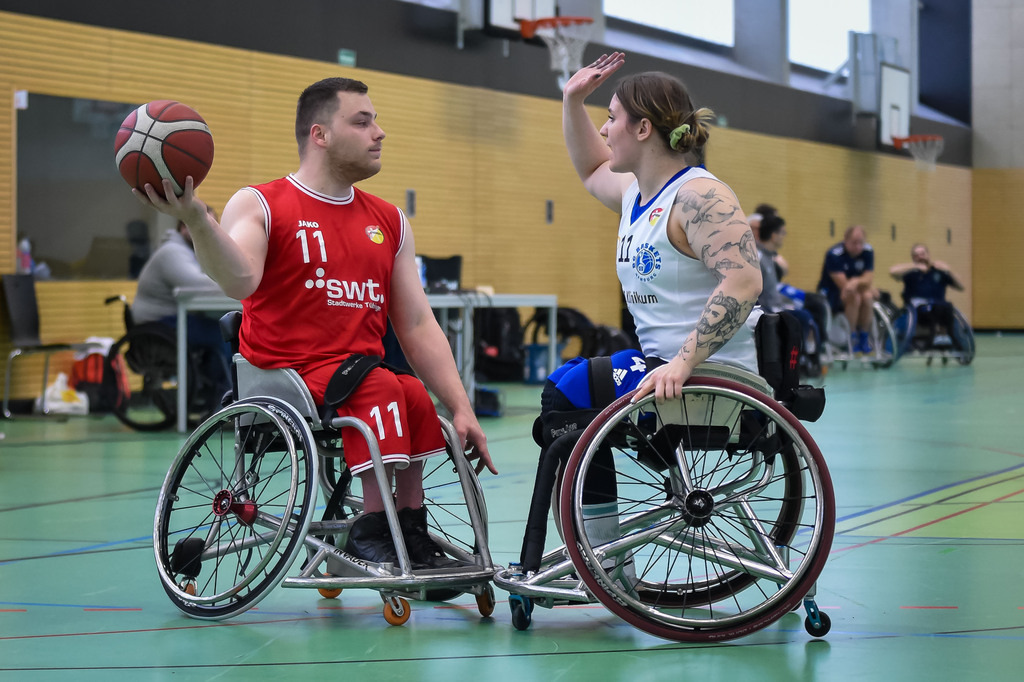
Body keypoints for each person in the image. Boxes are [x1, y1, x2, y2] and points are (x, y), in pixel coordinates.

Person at [135, 76, 495, 568]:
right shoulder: (261, 202)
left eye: (376, 121)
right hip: (286, 374)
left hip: (354, 374)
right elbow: (239, 280)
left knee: (410, 392)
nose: (380, 132)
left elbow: (415, 323)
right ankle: (372, 529)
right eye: (362, 121)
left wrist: (460, 407)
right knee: (382, 387)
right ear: (320, 134)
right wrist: (199, 220)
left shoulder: (389, 220)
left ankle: (411, 528)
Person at [562, 52, 762, 401]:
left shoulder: (700, 196)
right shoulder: (636, 193)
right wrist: (572, 101)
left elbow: (744, 282)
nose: (604, 130)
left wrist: (683, 363)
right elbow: (593, 169)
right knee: (564, 383)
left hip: (711, 373)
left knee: (570, 393)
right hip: (663, 366)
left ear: (643, 128)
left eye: (611, 118)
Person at [132, 205, 233, 411]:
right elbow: (197, 284)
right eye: (200, 224)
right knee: (220, 334)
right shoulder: (172, 252)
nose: (206, 230)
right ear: (183, 227)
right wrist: (236, 284)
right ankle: (225, 397)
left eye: (210, 226)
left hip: (169, 319)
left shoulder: (190, 252)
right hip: (158, 324)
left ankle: (220, 393)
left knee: (221, 328)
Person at [755, 213, 821, 374]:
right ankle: (796, 359)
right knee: (802, 317)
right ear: (773, 235)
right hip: (765, 310)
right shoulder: (759, 258)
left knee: (811, 311)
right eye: (782, 233)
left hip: (775, 306)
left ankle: (806, 357)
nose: (784, 237)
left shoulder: (770, 258)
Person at [889, 243, 964, 346]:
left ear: (928, 255)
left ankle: (948, 337)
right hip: (917, 310)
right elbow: (892, 271)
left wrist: (949, 270)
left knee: (948, 306)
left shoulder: (939, 271)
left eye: (922, 254)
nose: (920, 257)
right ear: (913, 258)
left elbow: (961, 287)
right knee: (933, 308)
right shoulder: (910, 272)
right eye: (916, 255)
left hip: (940, 307)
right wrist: (915, 266)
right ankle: (935, 337)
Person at [818, 224, 877, 354]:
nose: (858, 247)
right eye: (854, 243)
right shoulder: (834, 254)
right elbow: (845, 285)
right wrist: (863, 283)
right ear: (846, 240)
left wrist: (857, 281)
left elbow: (868, 278)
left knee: (868, 297)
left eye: (861, 243)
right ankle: (851, 337)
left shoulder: (868, 251)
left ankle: (864, 336)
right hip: (832, 291)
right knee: (855, 297)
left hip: (857, 290)